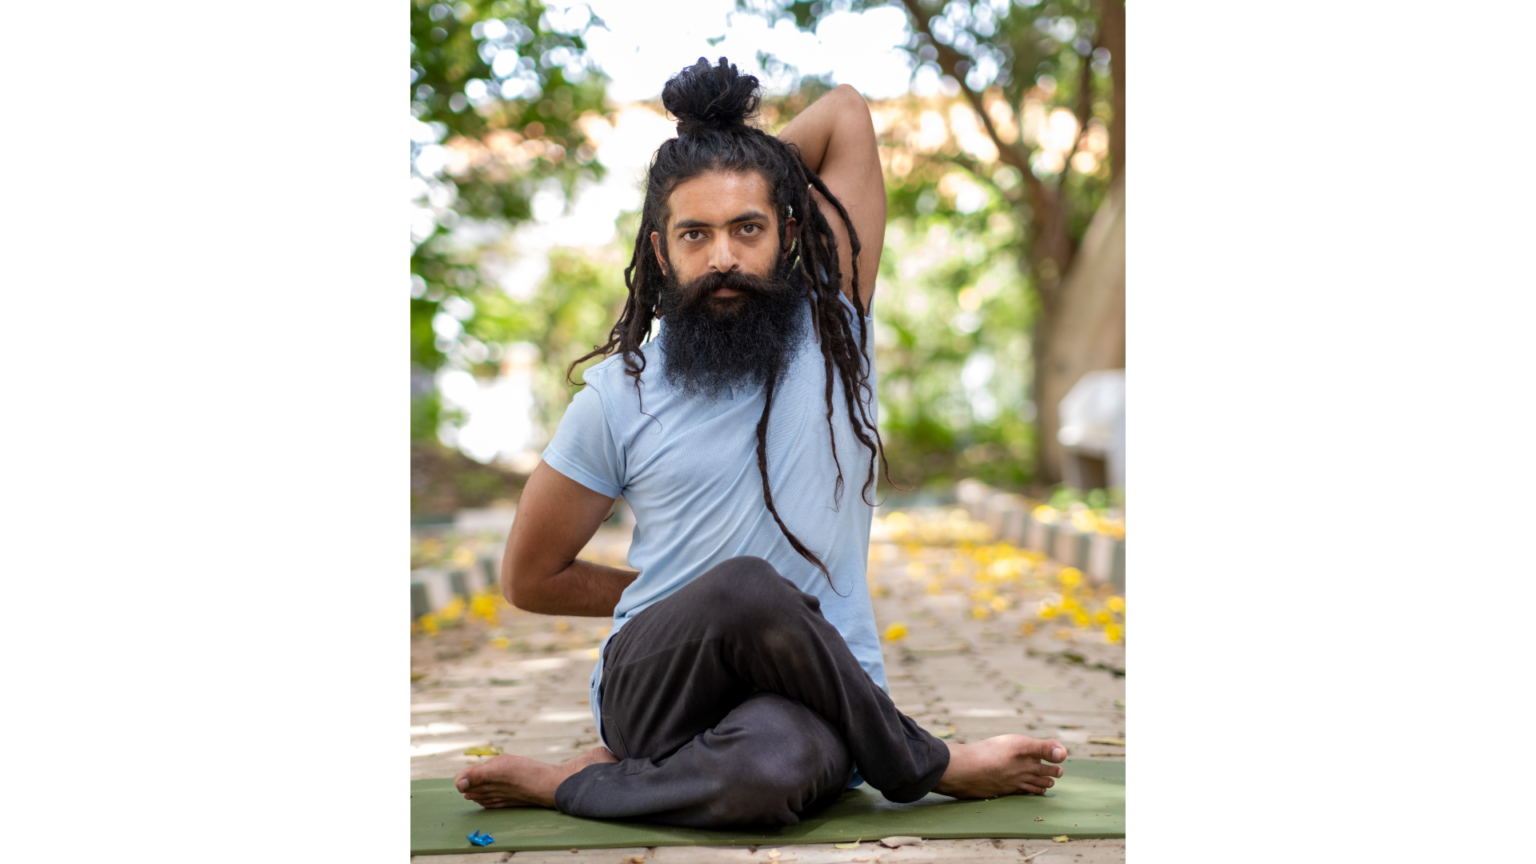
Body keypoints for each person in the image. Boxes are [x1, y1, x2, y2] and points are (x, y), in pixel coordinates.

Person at [454, 57, 1067, 828]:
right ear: (659, 251)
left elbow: (845, 111)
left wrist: (737, 156)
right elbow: (530, 577)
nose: (723, 257)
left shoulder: (836, 328)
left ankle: (569, 784)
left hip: (809, 695)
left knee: (769, 779)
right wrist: (689, 604)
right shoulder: (619, 393)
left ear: (786, 230)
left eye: (746, 228)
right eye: (696, 233)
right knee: (744, 586)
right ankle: (926, 764)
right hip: (658, 686)